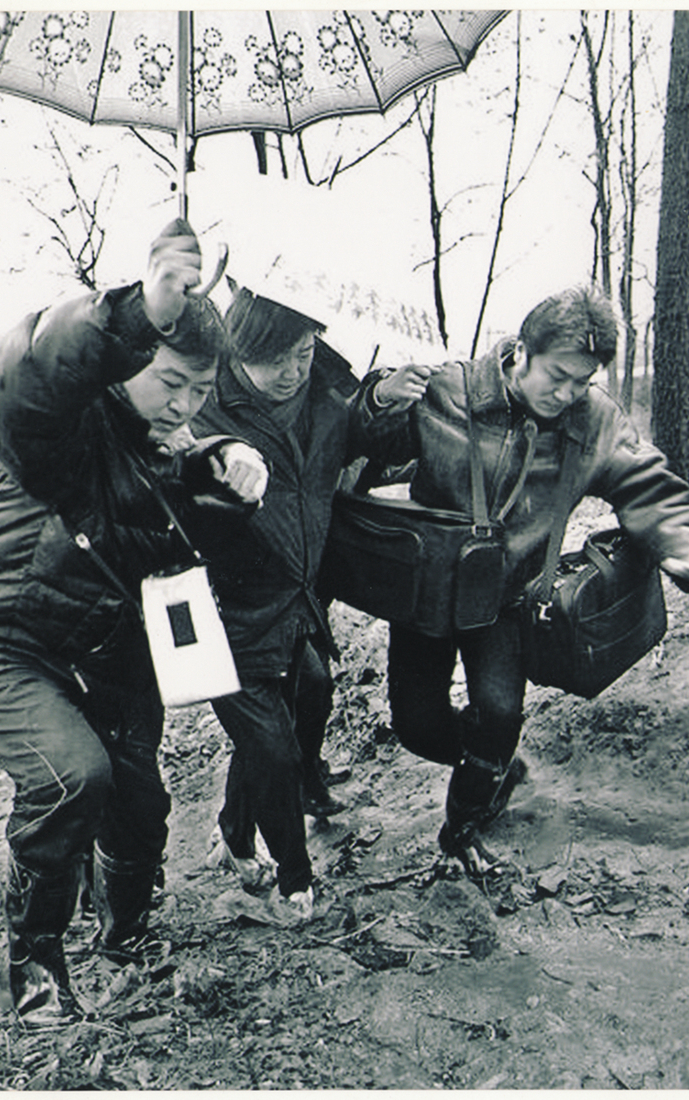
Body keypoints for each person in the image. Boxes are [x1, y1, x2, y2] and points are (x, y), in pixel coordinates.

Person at [0, 219, 269, 1024]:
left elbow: (168, 527)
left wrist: (223, 466)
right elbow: (13, 379)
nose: (183, 405)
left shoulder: (166, 453)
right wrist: (132, 314)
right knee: (71, 775)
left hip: (102, 657)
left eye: (199, 392)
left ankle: (125, 935)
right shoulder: (59, 427)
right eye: (169, 384)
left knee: (139, 802)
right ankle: (36, 965)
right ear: (125, 370)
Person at [381, 286, 689, 869]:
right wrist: (380, 399)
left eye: (582, 381)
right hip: (425, 594)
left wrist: (681, 542)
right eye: (557, 376)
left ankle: (462, 830)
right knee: (417, 725)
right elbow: (366, 445)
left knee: (500, 715)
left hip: (505, 598)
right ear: (521, 351)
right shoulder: (451, 391)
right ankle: (496, 766)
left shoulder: (591, 419)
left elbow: (644, 480)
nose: (568, 393)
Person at [192, 279, 436, 919]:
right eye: (278, 358)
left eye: (304, 352)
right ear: (240, 348)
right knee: (270, 746)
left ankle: (234, 833)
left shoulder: (324, 396)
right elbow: (173, 474)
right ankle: (295, 879)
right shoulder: (204, 409)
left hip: (296, 605)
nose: (292, 371)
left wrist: (382, 397)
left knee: (309, 698)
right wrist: (216, 465)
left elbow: (362, 435)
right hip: (226, 611)